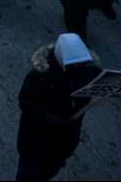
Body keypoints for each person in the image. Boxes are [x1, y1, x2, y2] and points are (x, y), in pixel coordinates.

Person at [15, 32, 99, 182]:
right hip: (35, 144)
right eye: (75, 64)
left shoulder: (87, 71)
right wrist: (49, 117)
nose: (79, 66)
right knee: (29, 175)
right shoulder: (39, 77)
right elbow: (26, 102)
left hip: (63, 143)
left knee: (48, 172)